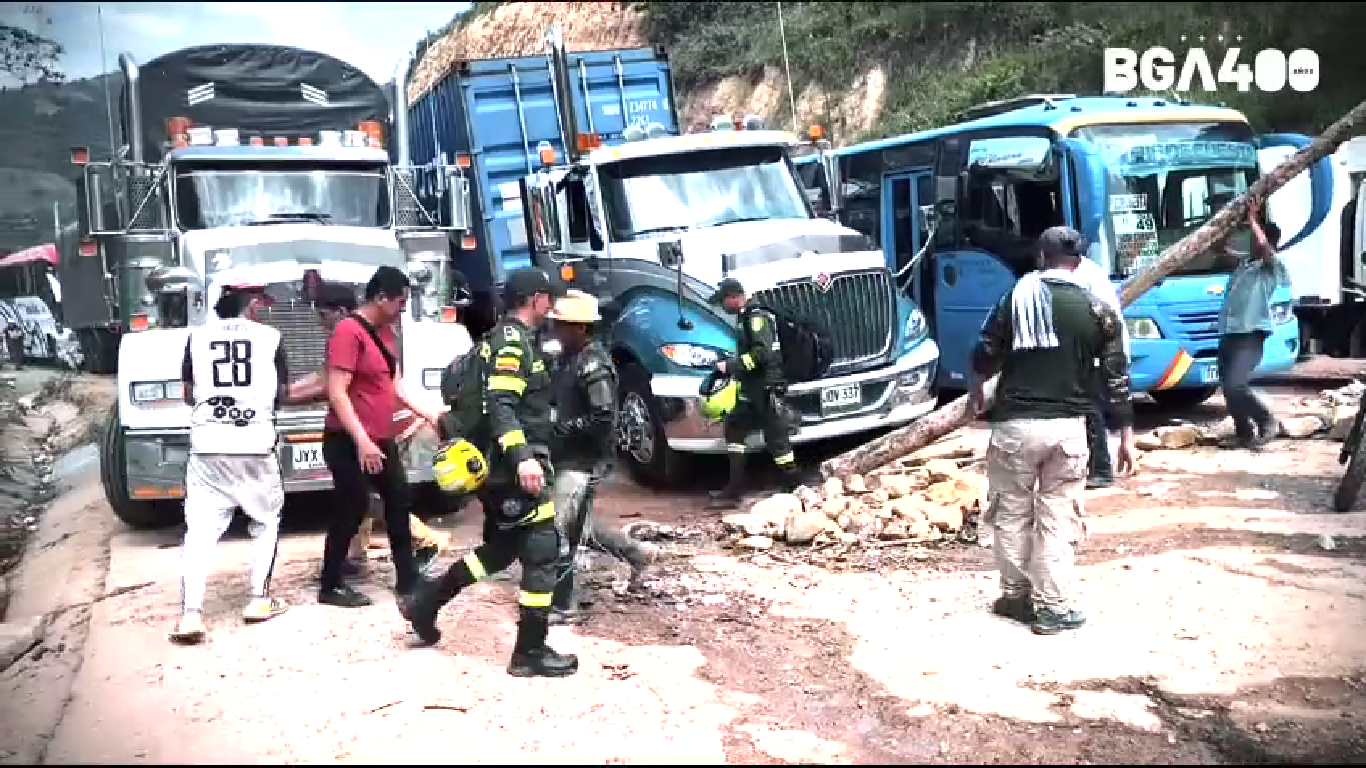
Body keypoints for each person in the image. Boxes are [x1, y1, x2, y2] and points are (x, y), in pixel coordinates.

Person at [407, 267, 578, 679]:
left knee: (501, 550)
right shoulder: (512, 344)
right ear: (535, 299)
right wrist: (522, 457)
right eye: (548, 297)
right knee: (542, 549)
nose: (551, 304)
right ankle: (529, 651)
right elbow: (502, 404)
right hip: (511, 468)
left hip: (495, 467)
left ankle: (426, 601)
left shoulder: (494, 340)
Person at [969, 225, 1136, 636]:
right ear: (1079, 264)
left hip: (1014, 427)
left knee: (1011, 511)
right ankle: (1053, 607)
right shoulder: (1098, 310)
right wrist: (1126, 436)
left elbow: (984, 354)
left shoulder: (1016, 299)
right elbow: (1116, 378)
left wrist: (976, 391)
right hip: (1067, 430)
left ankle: (1015, 596)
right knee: (1057, 516)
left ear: (1041, 258)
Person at [284, 282, 447, 576]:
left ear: (340, 311)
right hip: (361, 432)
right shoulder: (351, 337)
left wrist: (286, 396)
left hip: (379, 430)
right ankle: (351, 561)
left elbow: (333, 386)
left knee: (379, 498)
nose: (321, 323)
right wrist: (288, 393)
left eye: (323, 315)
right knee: (362, 500)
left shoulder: (359, 335)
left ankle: (419, 546)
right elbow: (326, 380)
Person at [169, 283, 289, 644]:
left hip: (208, 445)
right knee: (266, 521)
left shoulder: (197, 337)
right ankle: (258, 599)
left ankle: (191, 615)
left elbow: (188, 393)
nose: (262, 310)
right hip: (255, 444)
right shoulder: (271, 337)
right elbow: (280, 395)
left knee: (199, 532)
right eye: (260, 304)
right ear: (250, 305)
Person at [316, 266, 441, 610]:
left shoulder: (387, 334)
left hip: (380, 438)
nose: (403, 309)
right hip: (347, 439)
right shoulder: (348, 332)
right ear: (382, 298)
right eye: (400, 302)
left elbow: (396, 387)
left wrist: (432, 416)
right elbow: (337, 392)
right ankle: (330, 583)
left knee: (399, 501)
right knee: (352, 506)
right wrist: (362, 441)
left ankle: (408, 578)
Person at [545, 290, 657, 625]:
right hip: (569, 456)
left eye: (562, 325)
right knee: (580, 527)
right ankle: (638, 553)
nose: (556, 330)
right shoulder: (568, 359)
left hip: (583, 461)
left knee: (560, 531)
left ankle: (563, 605)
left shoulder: (592, 364)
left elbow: (603, 417)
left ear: (581, 328)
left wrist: (563, 428)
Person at [706, 277, 799, 508]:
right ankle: (735, 487)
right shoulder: (745, 316)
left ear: (734, 297)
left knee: (776, 438)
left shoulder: (757, 317)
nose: (723, 307)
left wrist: (731, 366)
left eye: (723, 301)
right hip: (752, 387)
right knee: (735, 427)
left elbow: (762, 355)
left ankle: (794, 486)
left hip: (766, 387)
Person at [1214, 200, 1290, 451]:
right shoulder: (1245, 264)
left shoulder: (1272, 267)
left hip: (1250, 336)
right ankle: (1243, 434)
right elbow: (1218, 249)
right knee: (1228, 388)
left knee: (1236, 384)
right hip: (1229, 333)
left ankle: (1265, 419)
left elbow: (1264, 246)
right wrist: (1230, 223)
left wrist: (1253, 220)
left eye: (1256, 237)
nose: (1252, 242)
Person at [1066, 235, 1129, 489]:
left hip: (1101, 351)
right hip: (1096, 350)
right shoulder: (1085, 272)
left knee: (1093, 411)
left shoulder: (1086, 277)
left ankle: (1100, 471)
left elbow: (1105, 321)